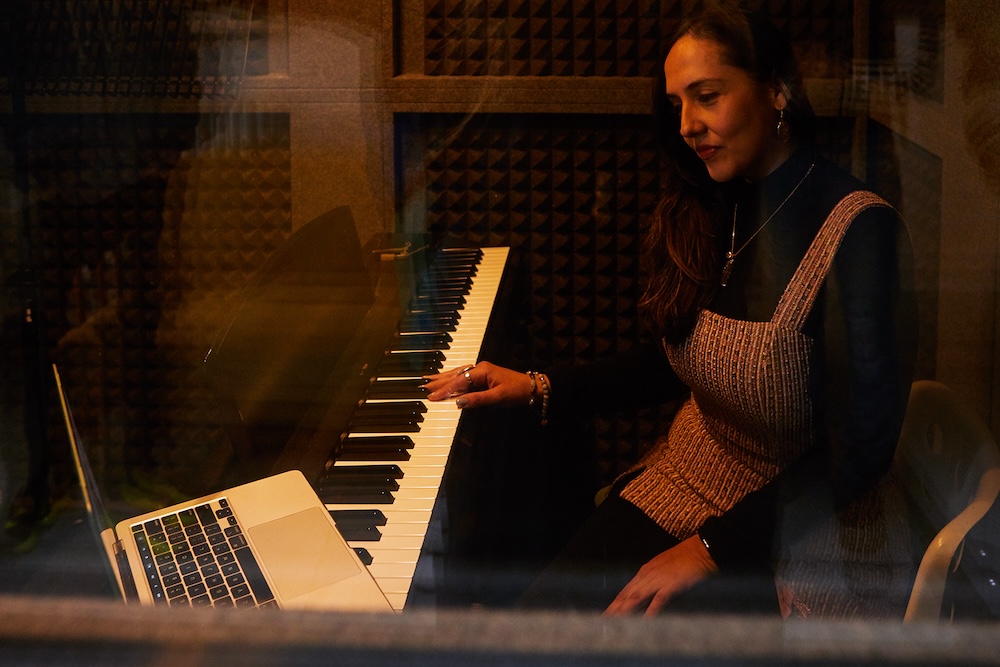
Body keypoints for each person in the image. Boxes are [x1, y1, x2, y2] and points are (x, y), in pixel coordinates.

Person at [424, 2, 917, 619]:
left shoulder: (861, 232)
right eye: (677, 103)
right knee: (536, 624)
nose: (687, 124)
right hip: (695, 471)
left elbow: (861, 450)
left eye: (707, 96)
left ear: (777, 92)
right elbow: (682, 359)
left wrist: (713, 548)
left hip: (811, 524)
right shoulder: (719, 204)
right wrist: (539, 386)